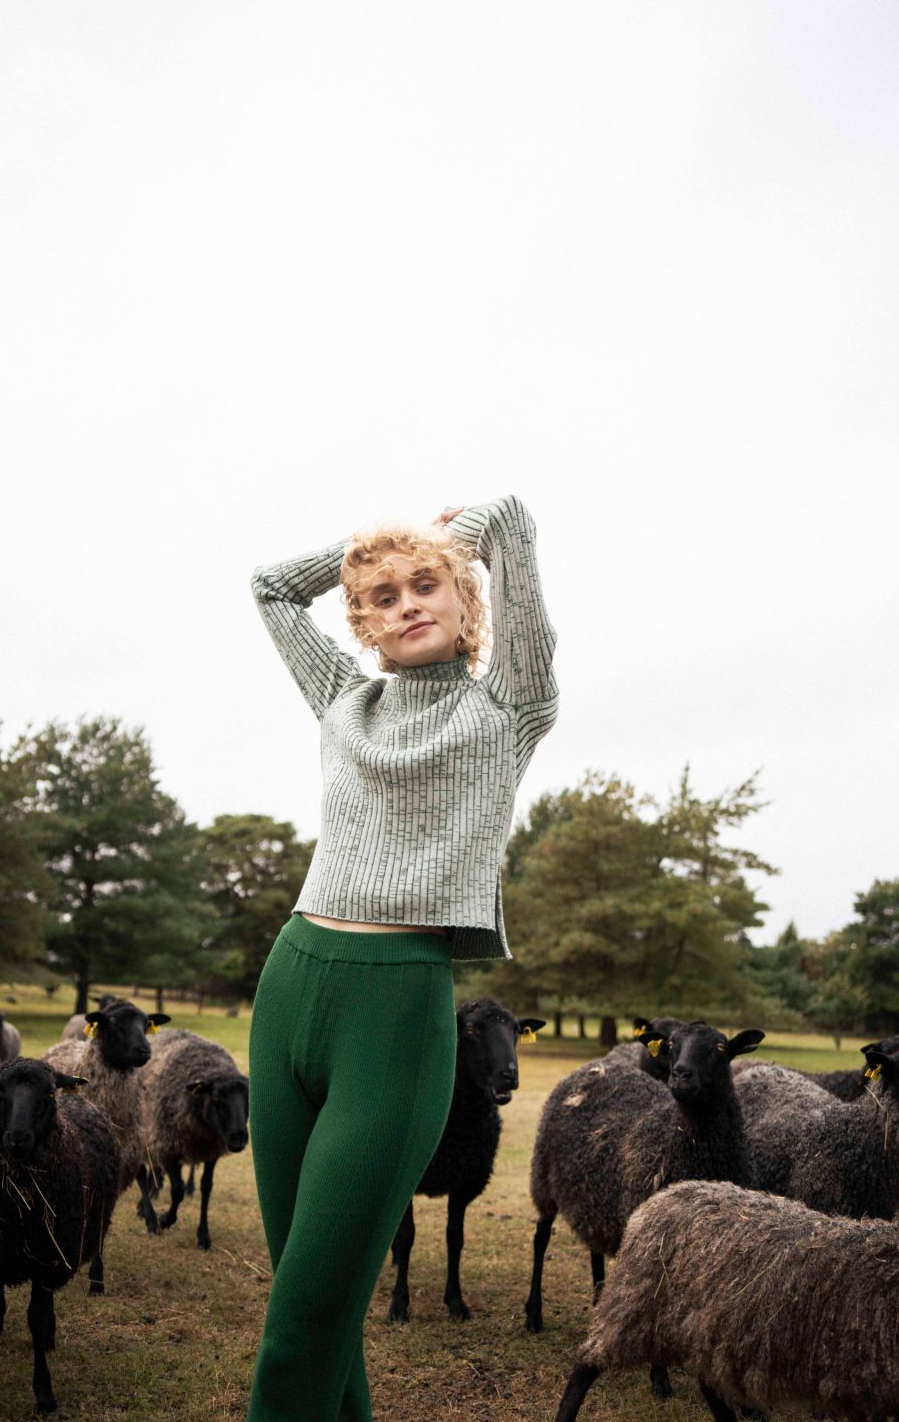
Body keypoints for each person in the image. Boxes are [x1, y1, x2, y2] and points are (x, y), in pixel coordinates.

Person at [245, 495, 558, 1422]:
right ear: (365, 627)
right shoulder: (345, 697)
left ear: (467, 603)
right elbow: (269, 589)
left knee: (304, 1316)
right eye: (381, 598)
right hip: (291, 981)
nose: (406, 604)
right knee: (314, 1297)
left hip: (396, 1012)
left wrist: (479, 531)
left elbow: (513, 534)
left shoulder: (509, 707)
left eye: (426, 587)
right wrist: (360, 551)